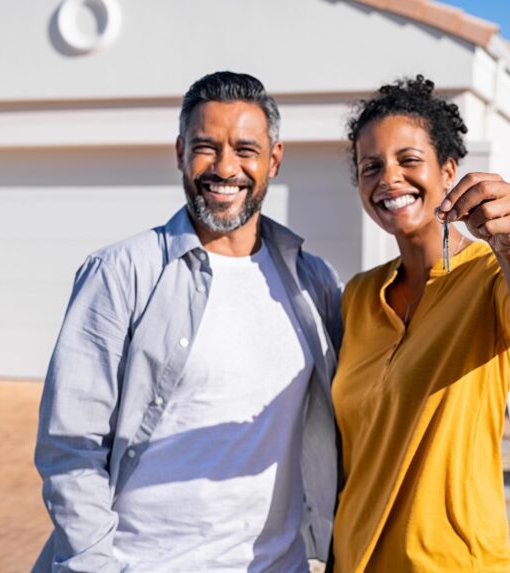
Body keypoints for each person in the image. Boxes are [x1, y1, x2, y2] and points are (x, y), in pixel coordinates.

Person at [33, 71, 342, 572]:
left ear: (274, 160)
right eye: (206, 147)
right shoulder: (120, 274)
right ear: (180, 152)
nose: (225, 168)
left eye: (245, 149)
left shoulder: (313, 282)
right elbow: (71, 446)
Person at [330, 75, 510, 572]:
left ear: (448, 170)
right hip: (357, 559)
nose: (389, 178)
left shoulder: (488, 276)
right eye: (370, 167)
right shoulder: (357, 296)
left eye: (408, 160)